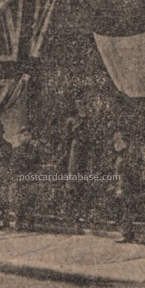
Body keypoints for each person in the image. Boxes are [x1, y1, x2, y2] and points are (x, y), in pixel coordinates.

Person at [63, 97, 91, 233]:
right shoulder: (71, 121)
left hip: (88, 152)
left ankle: (83, 217)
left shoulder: (90, 121)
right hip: (75, 152)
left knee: (85, 184)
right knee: (73, 185)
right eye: (79, 104)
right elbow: (66, 139)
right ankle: (75, 219)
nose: (82, 106)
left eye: (84, 104)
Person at [112, 130, 141, 243]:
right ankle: (126, 233)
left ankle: (127, 234)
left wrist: (120, 188)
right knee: (124, 208)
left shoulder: (125, 158)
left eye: (118, 141)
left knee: (126, 209)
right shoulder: (121, 157)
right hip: (121, 185)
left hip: (125, 185)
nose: (116, 144)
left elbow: (124, 174)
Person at [13, 126, 40, 230]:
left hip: (31, 177)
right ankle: (18, 222)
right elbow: (15, 164)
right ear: (20, 137)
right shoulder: (17, 150)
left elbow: (37, 162)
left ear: (31, 136)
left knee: (31, 200)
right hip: (21, 178)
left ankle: (30, 223)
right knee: (20, 200)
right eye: (24, 135)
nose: (26, 137)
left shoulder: (34, 150)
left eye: (28, 135)